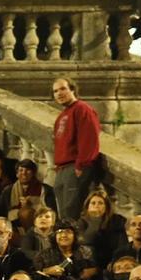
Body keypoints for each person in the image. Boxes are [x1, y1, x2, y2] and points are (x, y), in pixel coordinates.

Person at [50, 77, 99, 223]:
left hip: (75, 168)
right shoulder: (62, 115)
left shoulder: (82, 109)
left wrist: (81, 165)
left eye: (63, 89)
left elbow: (89, 139)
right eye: (55, 91)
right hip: (62, 168)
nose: (59, 93)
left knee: (72, 213)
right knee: (63, 213)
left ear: (72, 90)